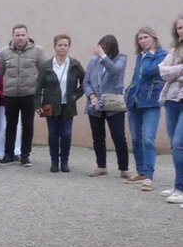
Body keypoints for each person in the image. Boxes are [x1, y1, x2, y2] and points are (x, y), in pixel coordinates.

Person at [0, 24, 48, 167]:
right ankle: (8, 154)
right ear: (12, 36)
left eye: (22, 35)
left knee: (28, 125)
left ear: (27, 35)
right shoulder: (4, 52)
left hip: (29, 94)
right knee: (10, 125)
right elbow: (0, 71)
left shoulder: (37, 51)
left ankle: (25, 155)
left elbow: (44, 71)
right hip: (10, 94)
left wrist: (41, 92)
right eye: (17, 35)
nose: (19, 38)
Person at [123, 27, 167, 191]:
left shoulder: (162, 55)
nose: (142, 41)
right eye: (140, 39)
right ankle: (141, 171)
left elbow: (148, 71)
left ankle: (149, 176)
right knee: (136, 139)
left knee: (148, 139)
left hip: (151, 102)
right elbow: (137, 77)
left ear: (154, 38)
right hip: (135, 102)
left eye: (145, 38)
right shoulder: (139, 56)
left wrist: (149, 55)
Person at [34, 34, 86, 173]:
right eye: (59, 45)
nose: (62, 48)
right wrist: (37, 104)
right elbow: (38, 87)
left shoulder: (74, 65)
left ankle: (64, 161)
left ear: (69, 47)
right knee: (53, 134)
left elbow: (85, 83)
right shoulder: (46, 66)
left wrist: (75, 96)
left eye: (65, 45)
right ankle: (54, 162)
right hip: (50, 105)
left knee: (66, 134)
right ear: (55, 47)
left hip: (68, 105)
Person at [83, 34, 130, 179]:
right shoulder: (93, 62)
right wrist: (91, 96)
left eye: (104, 47)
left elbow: (115, 71)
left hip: (113, 104)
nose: (101, 50)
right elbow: (86, 82)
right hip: (95, 105)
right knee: (98, 137)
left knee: (118, 137)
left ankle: (124, 168)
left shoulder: (121, 58)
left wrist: (103, 56)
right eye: (100, 47)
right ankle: (101, 166)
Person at [159, 14, 183, 203]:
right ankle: (177, 184)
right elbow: (163, 72)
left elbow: (170, 72)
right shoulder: (175, 50)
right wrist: (180, 69)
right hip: (171, 100)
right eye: (179, 28)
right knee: (175, 146)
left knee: (179, 144)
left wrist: (175, 71)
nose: (181, 31)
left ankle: (181, 188)